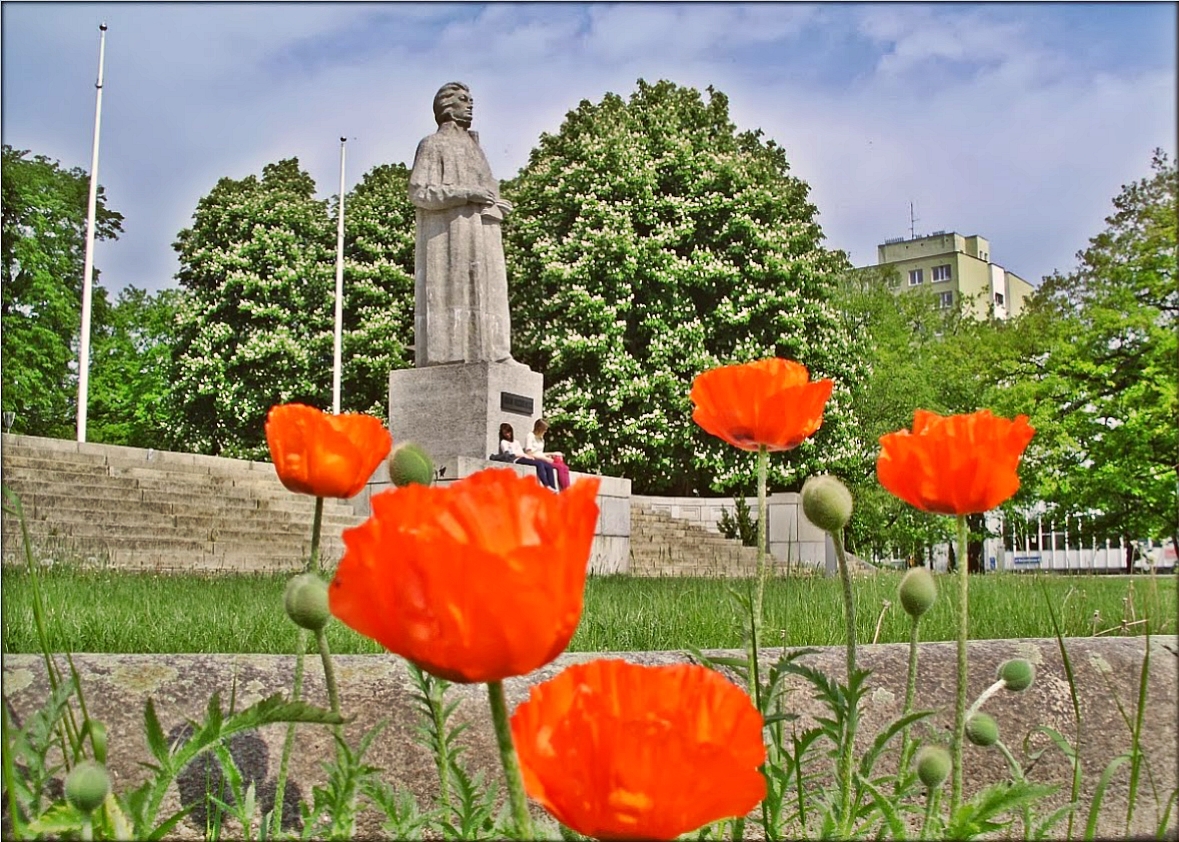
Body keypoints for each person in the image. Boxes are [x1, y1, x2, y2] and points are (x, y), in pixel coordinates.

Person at [409, 82, 513, 366]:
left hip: (484, 233)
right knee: (454, 298)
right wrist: (465, 194)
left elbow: (486, 191)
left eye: (470, 100)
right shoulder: (433, 145)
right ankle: (452, 356)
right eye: (463, 100)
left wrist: (494, 203)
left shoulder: (476, 148)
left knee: (493, 295)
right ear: (446, 106)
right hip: (450, 237)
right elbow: (419, 192)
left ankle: (496, 353)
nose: (470, 105)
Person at [498, 423, 557, 490]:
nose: (508, 434)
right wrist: (524, 455)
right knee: (539, 464)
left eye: (509, 432)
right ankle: (546, 485)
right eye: (505, 433)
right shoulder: (503, 442)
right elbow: (509, 454)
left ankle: (553, 487)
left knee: (548, 466)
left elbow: (521, 451)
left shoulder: (516, 442)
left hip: (523, 457)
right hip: (516, 459)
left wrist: (526, 456)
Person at [525, 418, 570, 491]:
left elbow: (541, 452)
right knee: (559, 467)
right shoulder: (530, 436)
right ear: (539, 428)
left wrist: (553, 453)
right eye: (544, 429)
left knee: (565, 467)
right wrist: (544, 458)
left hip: (543, 458)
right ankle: (564, 489)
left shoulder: (541, 439)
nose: (545, 431)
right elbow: (529, 453)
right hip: (537, 459)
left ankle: (567, 487)